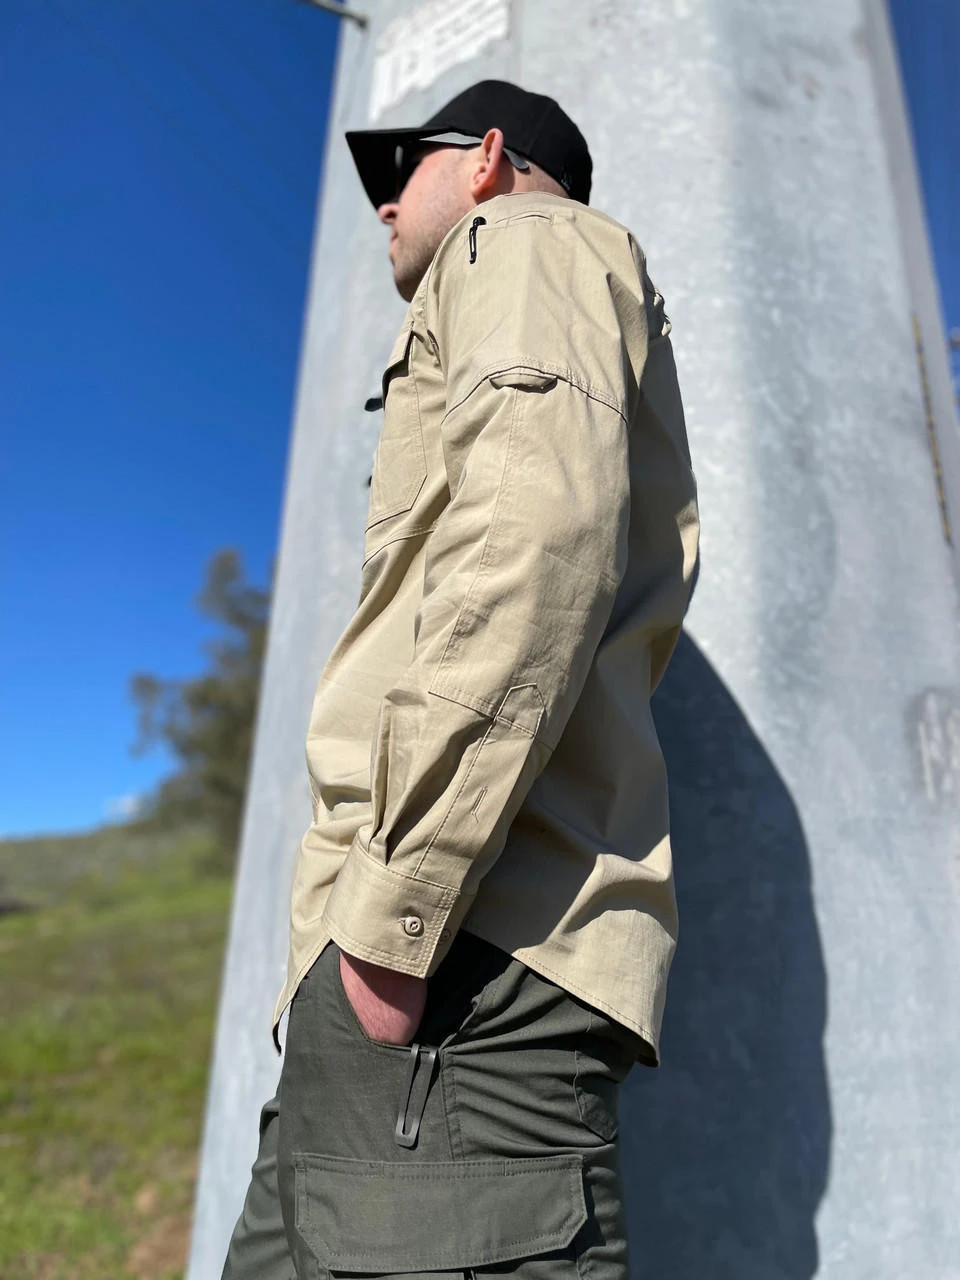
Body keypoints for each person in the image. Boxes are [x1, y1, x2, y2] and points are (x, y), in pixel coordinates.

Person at [221, 79, 699, 1280]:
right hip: (409, 974)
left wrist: (393, 919)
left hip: (454, 970)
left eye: (404, 167)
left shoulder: (525, 237)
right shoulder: (493, 273)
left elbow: (532, 542)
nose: (384, 203)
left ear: (486, 158)